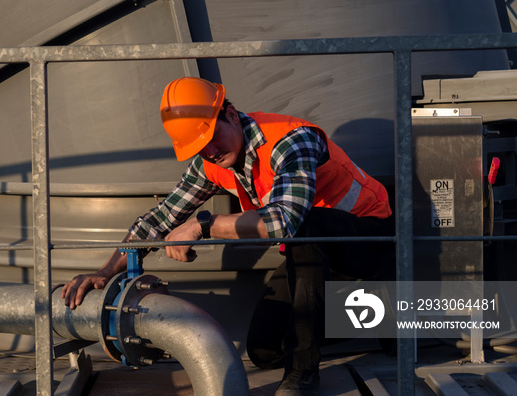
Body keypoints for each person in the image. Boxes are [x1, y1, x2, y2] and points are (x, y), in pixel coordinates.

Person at [61, 77, 394, 396]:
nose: (210, 152)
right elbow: (160, 219)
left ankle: (302, 373)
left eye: (212, 139)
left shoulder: (292, 139)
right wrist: (106, 272)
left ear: (231, 115)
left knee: (306, 226)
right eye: (200, 148)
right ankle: (381, 315)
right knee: (264, 350)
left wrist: (203, 226)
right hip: (310, 256)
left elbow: (285, 221)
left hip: (369, 238)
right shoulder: (212, 161)